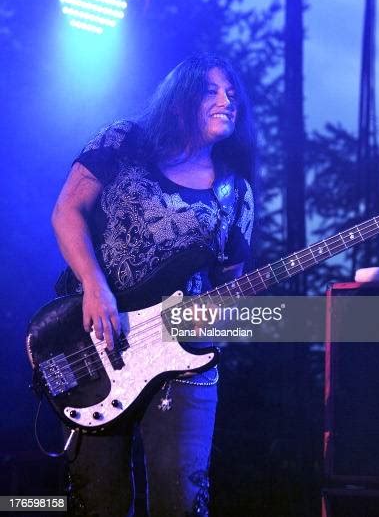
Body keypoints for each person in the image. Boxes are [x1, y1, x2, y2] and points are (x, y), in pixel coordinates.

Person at [51, 53, 255, 517]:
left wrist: (218, 319)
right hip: (97, 344)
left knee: (181, 500)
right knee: (97, 499)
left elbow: (231, 286)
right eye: (212, 90)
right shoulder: (123, 141)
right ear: (181, 98)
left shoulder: (235, 192)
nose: (228, 101)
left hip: (184, 361)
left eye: (232, 93)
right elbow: (66, 212)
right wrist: (94, 285)